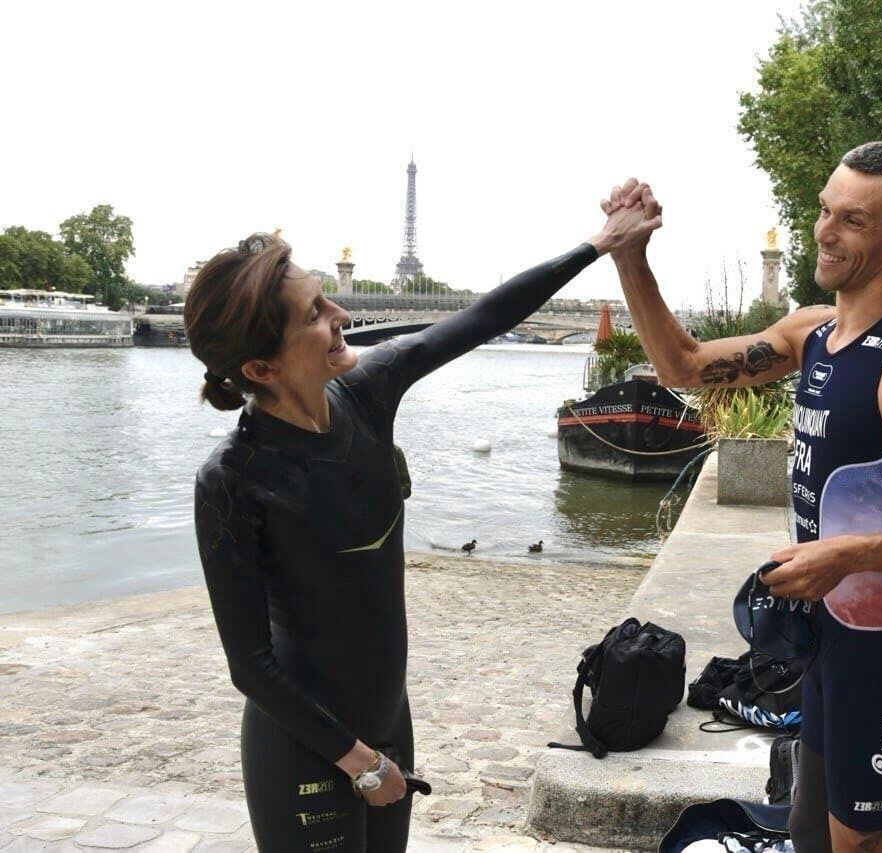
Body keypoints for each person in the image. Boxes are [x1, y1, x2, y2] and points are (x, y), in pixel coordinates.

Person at [599, 142, 882, 853]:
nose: (825, 233)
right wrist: (629, 257)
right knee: (809, 830)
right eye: (823, 211)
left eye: (853, 220)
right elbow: (682, 366)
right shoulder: (812, 332)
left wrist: (851, 553)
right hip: (822, 638)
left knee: (863, 841)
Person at [186, 215, 656, 853]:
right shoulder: (233, 481)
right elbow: (251, 666)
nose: (342, 315)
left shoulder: (368, 394)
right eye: (314, 313)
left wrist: (598, 245)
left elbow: (482, 317)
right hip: (302, 745)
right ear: (261, 367)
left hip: (387, 722)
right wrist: (360, 762)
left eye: (327, 296)